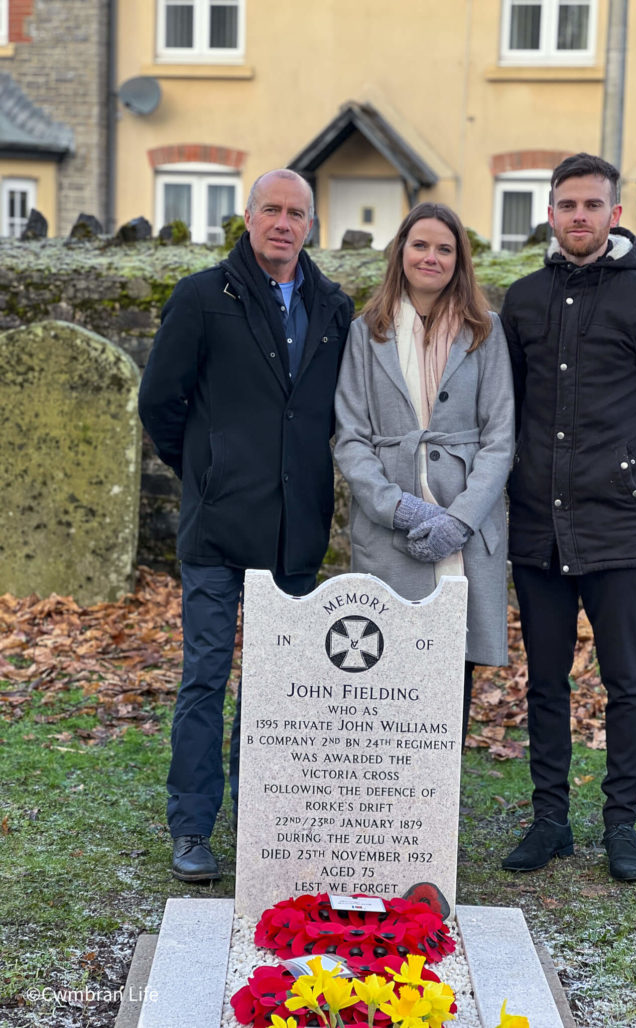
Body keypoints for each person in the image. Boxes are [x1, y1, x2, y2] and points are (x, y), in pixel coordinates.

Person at [138, 169, 353, 882]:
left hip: (295, 530)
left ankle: (268, 825)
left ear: (312, 226)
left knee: (281, 691)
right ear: (248, 215)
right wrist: (206, 470)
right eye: (271, 209)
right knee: (205, 677)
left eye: (296, 213)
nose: (283, 223)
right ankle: (193, 829)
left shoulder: (333, 308)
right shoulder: (204, 297)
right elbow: (161, 403)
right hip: (218, 527)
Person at [499, 153, 636, 881]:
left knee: (624, 680)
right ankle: (549, 818)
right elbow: (506, 410)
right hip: (535, 529)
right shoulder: (519, 301)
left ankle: (620, 823)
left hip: (617, 528)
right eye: (566, 204)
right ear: (549, 214)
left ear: (615, 215)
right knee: (544, 680)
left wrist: (627, 476)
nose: (578, 216)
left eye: (592, 205)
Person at [334, 202, 515, 739]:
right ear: (401, 252)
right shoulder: (366, 333)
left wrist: (460, 520)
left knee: (453, 660)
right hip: (389, 528)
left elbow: (501, 439)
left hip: (465, 522)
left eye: (444, 248)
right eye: (420, 245)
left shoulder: (486, 331)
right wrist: (398, 507)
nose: (431, 257)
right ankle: (388, 795)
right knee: (385, 661)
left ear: (459, 260)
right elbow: (350, 438)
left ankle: (437, 798)